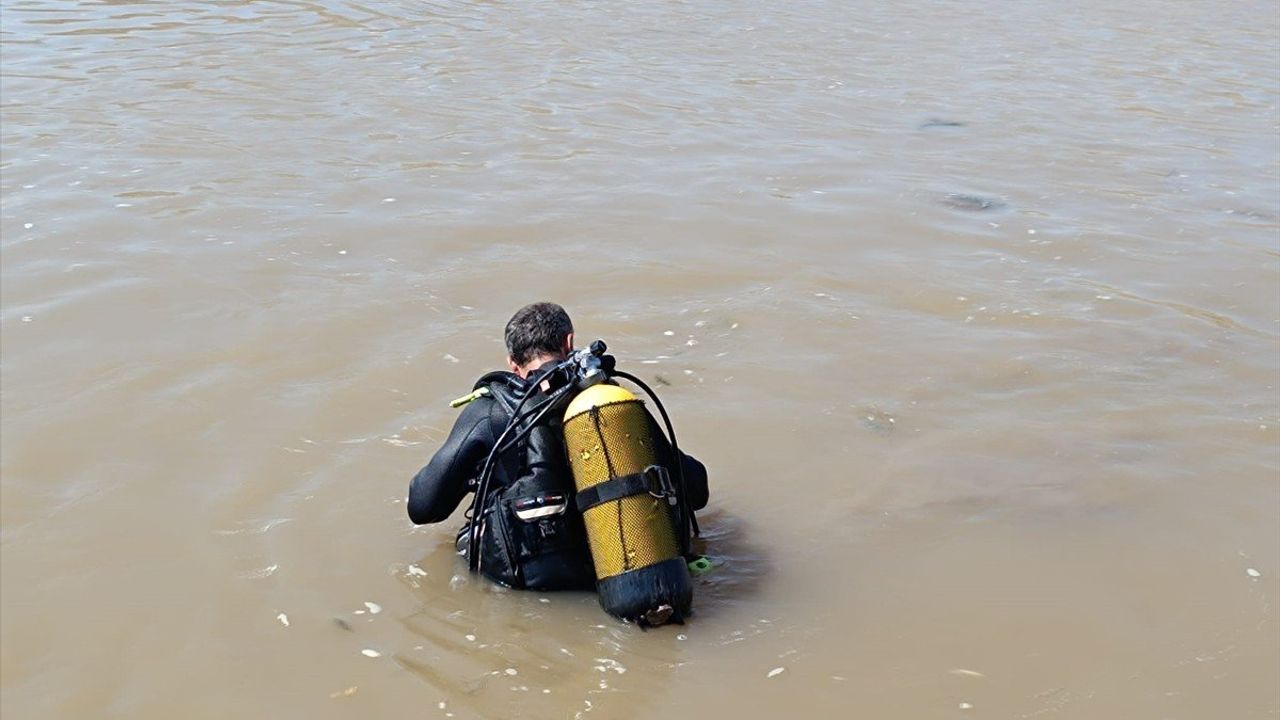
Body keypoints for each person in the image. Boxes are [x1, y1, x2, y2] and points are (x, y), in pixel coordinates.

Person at [407, 302, 709, 591]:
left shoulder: (489, 413)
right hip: (622, 572)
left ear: (513, 364)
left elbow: (423, 507)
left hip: (529, 586)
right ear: (569, 342)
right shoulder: (609, 403)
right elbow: (696, 491)